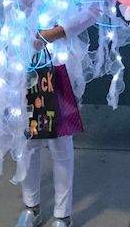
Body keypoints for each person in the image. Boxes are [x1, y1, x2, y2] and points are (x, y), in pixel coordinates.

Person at [13, 23, 78, 227]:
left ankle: (62, 215)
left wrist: (54, 34)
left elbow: (91, 11)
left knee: (60, 138)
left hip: (58, 60)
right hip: (23, 58)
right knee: (28, 138)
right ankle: (31, 206)